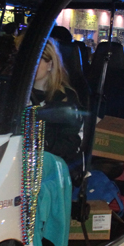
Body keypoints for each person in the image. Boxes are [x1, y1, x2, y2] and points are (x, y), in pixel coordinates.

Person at [30, 39, 83, 173]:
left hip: (53, 169)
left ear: (50, 64)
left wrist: (44, 140)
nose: (31, 66)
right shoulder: (18, 94)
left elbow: (71, 145)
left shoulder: (65, 98)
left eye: (36, 61)